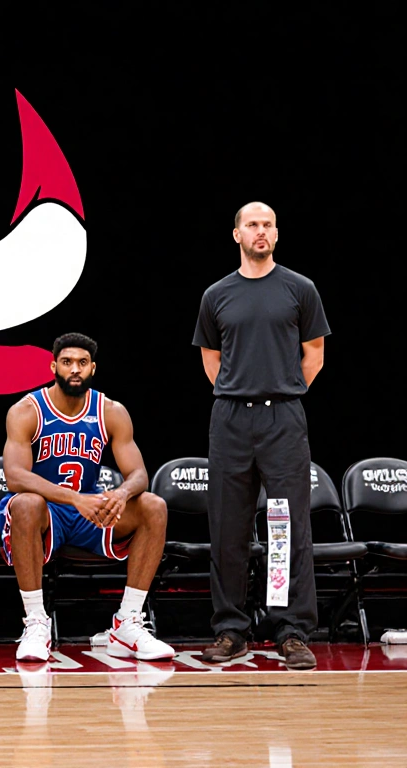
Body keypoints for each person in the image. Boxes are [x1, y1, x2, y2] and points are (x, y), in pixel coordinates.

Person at [193, 202, 328, 670]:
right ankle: (231, 629)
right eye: (252, 225)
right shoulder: (217, 294)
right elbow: (211, 358)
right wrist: (236, 392)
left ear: (276, 232)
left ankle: (290, 630)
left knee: (287, 525)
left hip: (283, 418)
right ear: (237, 235)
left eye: (268, 224)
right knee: (227, 526)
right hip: (230, 418)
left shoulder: (299, 288)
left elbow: (314, 353)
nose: (261, 231)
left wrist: (283, 392)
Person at [0, 333, 173, 662]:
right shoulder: (26, 410)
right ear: (53, 367)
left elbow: (139, 474)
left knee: (153, 505)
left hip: (89, 510)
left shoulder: (111, 411)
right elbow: (15, 476)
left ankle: (127, 623)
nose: (74, 369)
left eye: (82, 363)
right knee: (24, 502)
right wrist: (72, 498)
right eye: (67, 363)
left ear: (93, 368)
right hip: (47, 511)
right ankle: (36, 621)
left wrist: (121, 493)